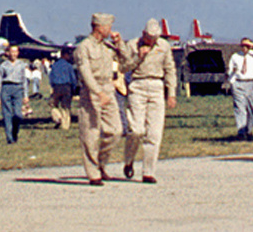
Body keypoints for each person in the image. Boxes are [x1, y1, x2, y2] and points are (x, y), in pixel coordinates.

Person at [76, 13, 133, 185]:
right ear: (99, 27)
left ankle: (101, 163)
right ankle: (93, 173)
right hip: (91, 91)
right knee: (91, 134)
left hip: (108, 88)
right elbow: (85, 72)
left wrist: (120, 44)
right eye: (108, 26)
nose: (110, 30)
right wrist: (97, 92)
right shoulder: (84, 47)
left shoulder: (107, 46)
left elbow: (128, 63)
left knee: (116, 131)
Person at [123, 19, 177, 184]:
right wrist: (138, 58)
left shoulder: (164, 46)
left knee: (154, 133)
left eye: (154, 39)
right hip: (137, 85)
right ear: (143, 34)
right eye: (148, 38)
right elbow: (123, 67)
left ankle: (148, 171)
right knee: (137, 130)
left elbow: (169, 69)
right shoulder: (132, 45)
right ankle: (128, 160)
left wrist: (171, 93)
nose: (151, 42)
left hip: (156, 86)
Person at [227, 38, 253, 138]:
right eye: (243, 45)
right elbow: (230, 71)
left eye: (247, 45)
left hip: (252, 83)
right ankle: (241, 131)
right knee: (240, 108)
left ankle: (248, 130)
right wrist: (232, 82)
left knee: (251, 107)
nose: (244, 48)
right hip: (239, 83)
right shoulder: (235, 56)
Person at [0, 44, 29, 143]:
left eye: (15, 52)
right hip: (6, 88)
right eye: (11, 52)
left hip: (18, 88)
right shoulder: (3, 66)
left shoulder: (21, 65)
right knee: (7, 114)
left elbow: (24, 80)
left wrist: (25, 95)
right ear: (7, 53)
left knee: (18, 114)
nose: (13, 54)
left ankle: (14, 132)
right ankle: (9, 138)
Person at [49, 46, 78, 129]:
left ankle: (58, 117)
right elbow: (73, 78)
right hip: (67, 87)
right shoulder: (69, 66)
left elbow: (51, 77)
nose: (69, 57)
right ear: (64, 55)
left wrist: (52, 86)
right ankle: (65, 126)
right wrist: (74, 88)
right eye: (68, 55)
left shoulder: (54, 65)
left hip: (57, 87)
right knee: (66, 107)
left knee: (53, 105)